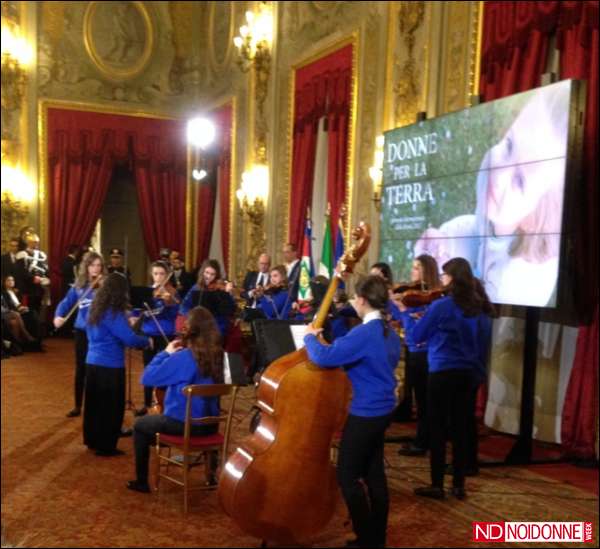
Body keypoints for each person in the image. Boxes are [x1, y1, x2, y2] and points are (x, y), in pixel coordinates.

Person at [415, 81, 570, 307]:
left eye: (520, 181)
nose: (499, 174)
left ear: (536, 215)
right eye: (508, 146)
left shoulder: (520, 283)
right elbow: (478, 236)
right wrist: (441, 244)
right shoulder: (487, 219)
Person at [304, 275, 401, 548]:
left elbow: (323, 358)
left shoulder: (364, 333)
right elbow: (371, 363)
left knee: (347, 476)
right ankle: (376, 538)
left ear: (361, 300)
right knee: (374, 475)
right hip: (384, 410)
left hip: (366, 412)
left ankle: (366, 537)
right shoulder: (389, 332)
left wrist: (311, 338)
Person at [409, 257, 493, 500]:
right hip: (469, 375)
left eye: (445, 275)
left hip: (442, 372)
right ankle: (459, 484)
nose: (442, 280)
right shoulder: (481, 307)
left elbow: (416, 336)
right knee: (460, 429)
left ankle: (436, 484)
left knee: (437, 428)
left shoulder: (441, 306)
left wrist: (411, 318)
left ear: (453, 278)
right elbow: (482, 345)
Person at [127, 306, 222, 493]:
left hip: (184, 426)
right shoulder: (219, 356)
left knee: (139, 426)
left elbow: (147, 378)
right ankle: (210, 477)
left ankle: (142, 482)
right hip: (211, 426)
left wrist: (165, 353)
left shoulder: (184, 357)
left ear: (189, 330)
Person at [84, 273, 150, 456]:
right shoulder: (114, 312)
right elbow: (129, 339)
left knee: (94, 404)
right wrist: (146, 341)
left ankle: (92, 439)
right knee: (111, 407)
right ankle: (106, 446)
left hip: (92, 361)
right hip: (110, 364)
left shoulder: (95, 308)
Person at [393, 254, 441, 457]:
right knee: (419, 400)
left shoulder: (430, 298)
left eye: (416, 268)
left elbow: (416, 327)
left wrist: (404, 310)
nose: (412, 272)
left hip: (424, 352)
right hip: (414, 351)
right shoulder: (413, 294)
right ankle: (422, 438)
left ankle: (423, 441)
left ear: (426, 271)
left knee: (425, 401)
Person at [54, 252, 105, 418]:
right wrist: (58, 316)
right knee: (81, 368)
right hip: (82, 332)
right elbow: (65, 303)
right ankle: (77, 405)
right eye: (92, 265)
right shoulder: (79, 286)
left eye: (98, 265)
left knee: (96, 369)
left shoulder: (106, 285)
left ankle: (95, 405)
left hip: (99, 333)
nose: (96, 269)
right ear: (87, 267)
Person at [132, 261, 179, 417]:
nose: (159, 277)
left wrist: (169, 302)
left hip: (166, 334)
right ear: (151, 275)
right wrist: (134, 316)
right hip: (149, 335)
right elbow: (137, 312)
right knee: (149, 369)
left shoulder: (171, 293)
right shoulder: (147, 293)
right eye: (156, 274)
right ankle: (147, 404)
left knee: (166, 369)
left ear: (167, 275)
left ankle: (164, 404)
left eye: (162, 274)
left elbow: (173, 314)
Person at [179, 259, 236, 337]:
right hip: (199, 327)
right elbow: (183, 307)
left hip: (217, 326)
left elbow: (230, 309)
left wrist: (229, 293)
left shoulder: (221, 288)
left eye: (212, 274)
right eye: (207, 273)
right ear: (202, 272)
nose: (209, 277)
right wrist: (192, 315)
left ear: (217, 275)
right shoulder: (196, 287)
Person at [2, 275, 43, 351]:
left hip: (17, 310)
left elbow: (18, 303)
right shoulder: (4, 293)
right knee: (30, 316)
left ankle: (36, 342)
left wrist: (22, 307)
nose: (11, 282)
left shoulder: (15, 291)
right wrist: (18, 309)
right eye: (9, 280)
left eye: (12, 280)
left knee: (33, 314)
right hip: (13, 312)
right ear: (4, 282)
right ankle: (27, 339)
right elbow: (9, 306)